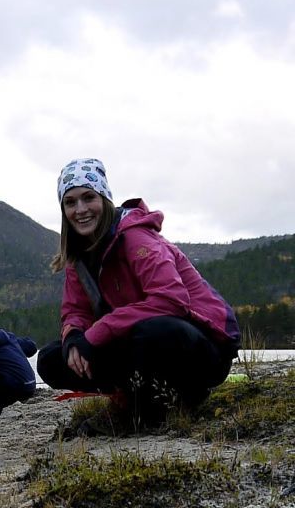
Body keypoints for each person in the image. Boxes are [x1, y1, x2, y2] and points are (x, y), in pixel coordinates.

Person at [36, 158, 240, 424]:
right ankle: (133, 397)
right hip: (138, 339)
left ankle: (180, 397)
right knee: (52, 358)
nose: (80, 209)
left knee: (153, 332)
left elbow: (171, 300)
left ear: (105, 199)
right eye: (70, 202)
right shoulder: (78, 257)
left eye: (88, 197)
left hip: (204, 347)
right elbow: (75, 309)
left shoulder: (136, 236)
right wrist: (74, 337)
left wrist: (97, 333)